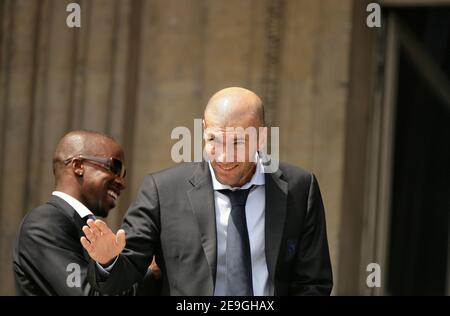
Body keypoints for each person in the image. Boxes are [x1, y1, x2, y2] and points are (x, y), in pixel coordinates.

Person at [82, 87, 333, 296]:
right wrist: (107, 262)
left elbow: (313, 283)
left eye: (237, 142)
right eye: (214, 140)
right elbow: (125, 275)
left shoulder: (300, 187)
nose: (223, 156)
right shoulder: (163, 191)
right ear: (204, 130)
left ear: (261, 138)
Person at [12, 130, 159, 295]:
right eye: (114, 167)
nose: (122, 182)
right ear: (78, 166)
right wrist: (152, 273)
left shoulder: (81, 224)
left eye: (123, 174)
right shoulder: (44, 223)